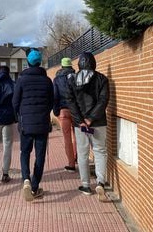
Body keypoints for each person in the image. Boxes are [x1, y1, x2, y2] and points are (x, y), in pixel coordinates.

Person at [66, 51, 109, 201]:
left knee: (83, 153)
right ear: (93, 63)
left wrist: (81, 121)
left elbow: (71, 103)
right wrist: (91, 118)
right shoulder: (102, 79)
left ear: (79, 64)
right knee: (100, 151)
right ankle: (100, 182)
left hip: (80, 125)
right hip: (99, 122)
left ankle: (85, 185)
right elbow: (103, 100)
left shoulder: (72, 80)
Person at [12, 48, 54, 201]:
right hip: (42, 124)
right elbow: (51, 102)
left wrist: (19, 116)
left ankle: (26, 180)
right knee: (40, 155)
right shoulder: (47, 81)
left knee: (25, 152)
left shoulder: (21, 80)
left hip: (26, 124)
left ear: (28, 63)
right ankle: (35, 187)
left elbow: (15, 102)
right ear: (40, 63)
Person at [53, 57, 77, 172]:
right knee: (77, 136)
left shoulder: (57, 79)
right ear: (71, 66)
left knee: (67, 138)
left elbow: (55, 96)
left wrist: (56, 111)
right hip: (76, 111)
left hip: (64, 111)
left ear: (62, 66)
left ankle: (71, 164)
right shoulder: (76, 76)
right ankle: (77, 157)